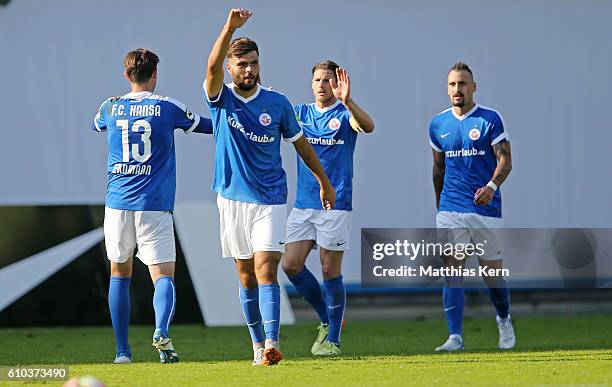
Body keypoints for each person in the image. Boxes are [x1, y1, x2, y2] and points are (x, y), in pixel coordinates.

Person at [203, 9, 335, 366]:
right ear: (231, 69)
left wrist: (323, 180)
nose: (249, 69)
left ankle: (274, 342)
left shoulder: (277, 103)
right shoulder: (221, 98)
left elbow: (301, 144)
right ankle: (257, 343)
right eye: (242, 64)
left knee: (266, 269)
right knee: (246, 276)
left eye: (254, 63)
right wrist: (229, 27)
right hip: (231, 199)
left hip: (270, 198)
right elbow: (211, 69)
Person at [92, 48, 212, 364]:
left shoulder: (110, 107)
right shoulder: (167, 107)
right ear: (155, 75)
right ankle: (160, 330)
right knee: (163, 277)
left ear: (126, 75)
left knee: (120, 275)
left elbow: (97, 125)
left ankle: (122, 352)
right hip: (153, 206)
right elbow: (206, 125)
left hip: (117, 205)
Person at [282, 61, 374, 356]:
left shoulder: (345, 114)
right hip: (303, 204)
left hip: (336, 205)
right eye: (318, 80)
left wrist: (348, 101)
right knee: (290, 265)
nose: (322, 85)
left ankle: (333, 338)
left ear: (337, 84)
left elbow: (368, 126)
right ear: (311, 84)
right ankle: (327, 317)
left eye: (328, 80)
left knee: (328, 269)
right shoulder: (301, 113)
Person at [429, 62, 515, 352]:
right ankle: (455, 336)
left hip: (485, 210)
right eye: (453, 84)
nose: (457, 89)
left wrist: (491, 187)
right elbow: (438, 168)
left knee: (492, 276)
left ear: (473, 87)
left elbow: (505, 160)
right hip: (451, 208)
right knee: (452, 269)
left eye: (463, 84)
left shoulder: (490, 119)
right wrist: (439, 205)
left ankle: (503, 318)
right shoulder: (438, 124)